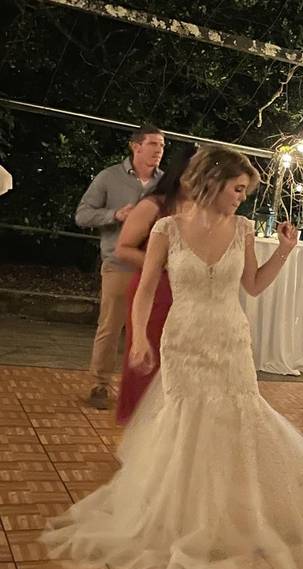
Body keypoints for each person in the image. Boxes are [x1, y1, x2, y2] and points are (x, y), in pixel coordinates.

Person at [42, 146, 303, 569]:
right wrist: (141, 337)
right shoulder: (167, 228)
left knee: (236, 420)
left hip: (230, 340)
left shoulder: (243, 228)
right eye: (238, 189)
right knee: (187, 421)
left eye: (246, 191)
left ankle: (233, 514)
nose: (242, 198)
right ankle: (181, 514)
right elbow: (146, 287)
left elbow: (255, 286)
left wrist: (284, 251)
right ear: (214, 182)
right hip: (183, 338)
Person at [75, 125, 165, 409]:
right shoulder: (109, 177)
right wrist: (115, 214)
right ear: (135, 146)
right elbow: (82, 215)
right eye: (153, 144)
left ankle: (143, 391)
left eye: (162, 145)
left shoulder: (166, 184)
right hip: (118, 263)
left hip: (155, 267)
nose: (159, 150)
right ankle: (99, 385)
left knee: (150, 331)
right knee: (111, 327)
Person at [113, 147, 196, 425]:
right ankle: (136, 425)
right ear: (181, 174)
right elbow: (123, 248)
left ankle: (167, 428)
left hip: (187, 297)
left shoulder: (205, 213)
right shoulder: (154, 206)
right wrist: (162, 264)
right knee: (146, 360)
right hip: (154, 291)